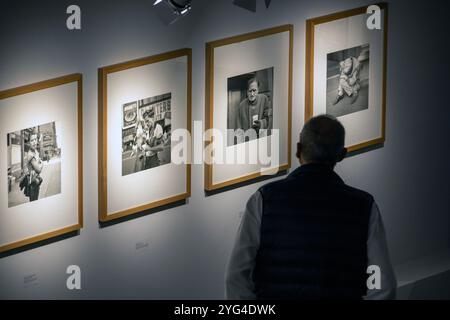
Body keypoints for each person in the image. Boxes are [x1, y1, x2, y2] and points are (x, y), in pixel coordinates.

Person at [226, 115, 396, 300]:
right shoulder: (364, 205)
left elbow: (236, 276)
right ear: (342, 154)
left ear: (298, 150)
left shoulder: (263, 199)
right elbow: (381, 282)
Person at [22, 131, 43, 202]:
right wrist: (42, 163)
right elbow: (38, 170)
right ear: (28, 143)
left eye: (35, 140)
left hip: (36, 181)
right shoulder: (31, 154)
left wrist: (39, 163)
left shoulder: (35, 151)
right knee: (34, 201)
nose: (34, 142)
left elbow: (38, 163)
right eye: (32, 140)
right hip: (32, 184)